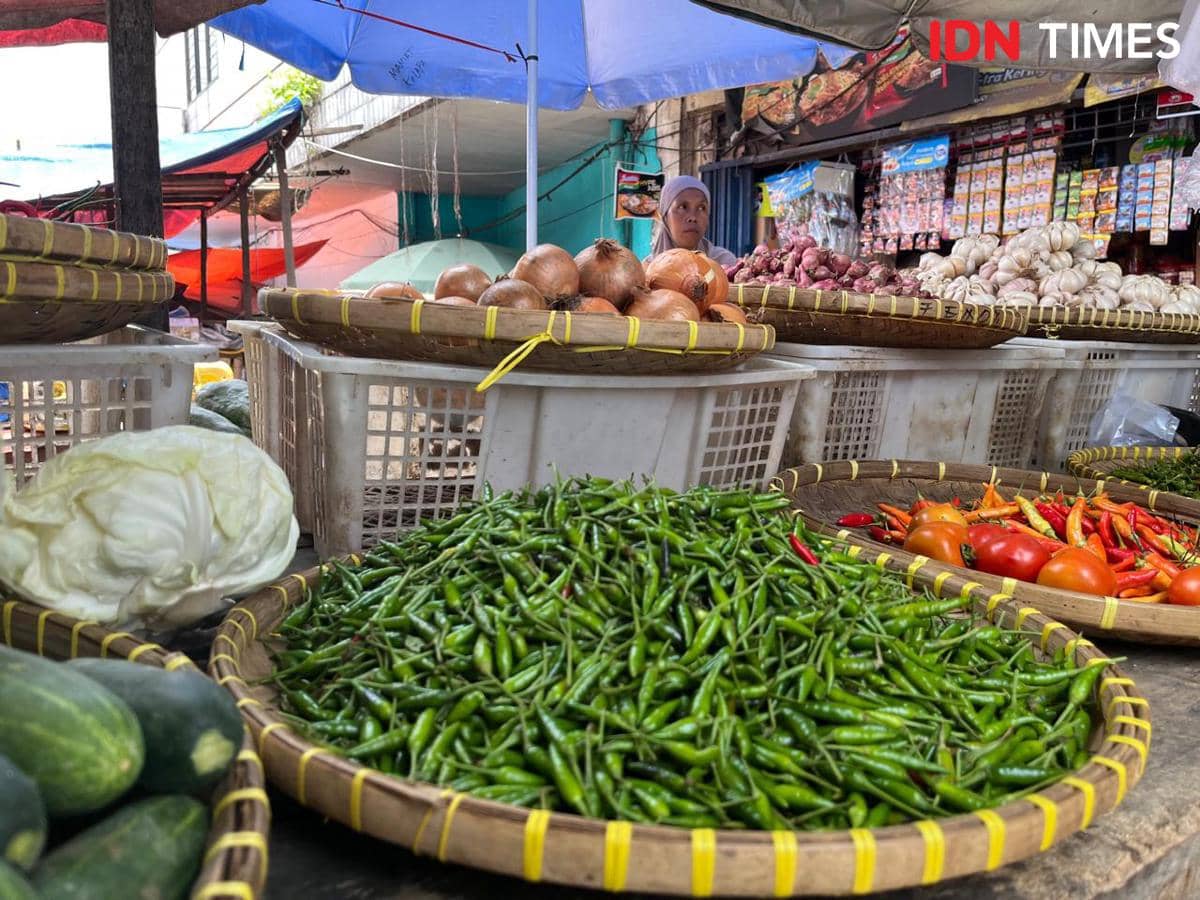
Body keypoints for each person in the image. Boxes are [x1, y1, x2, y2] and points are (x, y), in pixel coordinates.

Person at [649, 175, 737, 266]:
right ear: (665, 216)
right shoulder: (647, 270)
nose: (693, 217)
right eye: (683, 207)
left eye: (701, 208)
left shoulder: (723, 263)